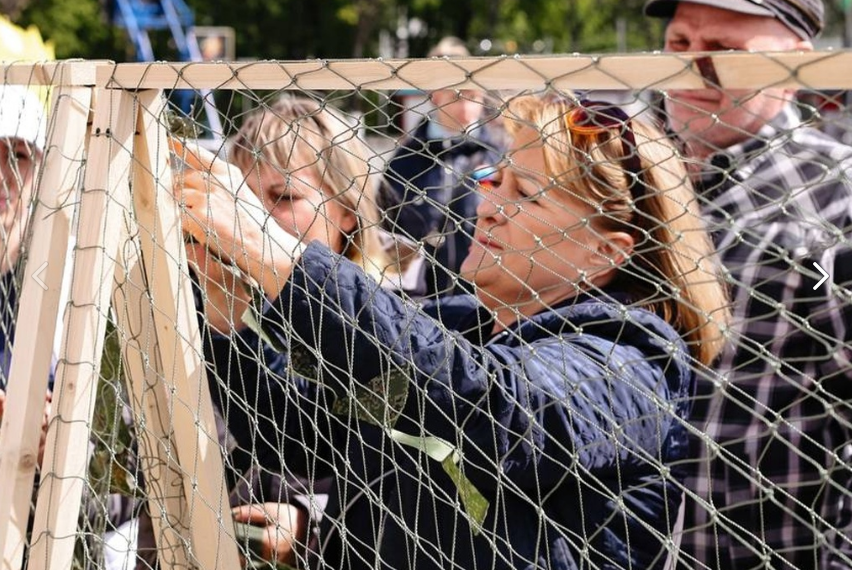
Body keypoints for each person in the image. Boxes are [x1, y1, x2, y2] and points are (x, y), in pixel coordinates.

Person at [176, 93, 729, 570]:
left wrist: (273, 250)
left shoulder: (629, 358)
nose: (489, 206)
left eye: (526, 194)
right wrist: (229, 310)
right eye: (496, 179)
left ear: (605, 251)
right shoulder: (462, 323)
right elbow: (312, 429)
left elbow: (491, 410)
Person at [158, 95, 416, 568]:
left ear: (348, 210)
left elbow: (388, 479)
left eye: (283, 197)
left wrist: (312, 526)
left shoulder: (401, 332)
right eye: (240, 198)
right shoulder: (183, 302)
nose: (250, 218)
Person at [642, 1, 852, 568]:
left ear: (797, 64)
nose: (693, 67)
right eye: (681, 43)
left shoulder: (838, 199)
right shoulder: (617, 178)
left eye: (727, 52)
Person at [382, 36, 502, 298]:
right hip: (420, 301)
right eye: (457, 95)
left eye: (474, 95)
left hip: (483, 298)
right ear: (435, 94)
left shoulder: (499, 155)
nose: (468, 106)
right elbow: (389, 233)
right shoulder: (406, 159)